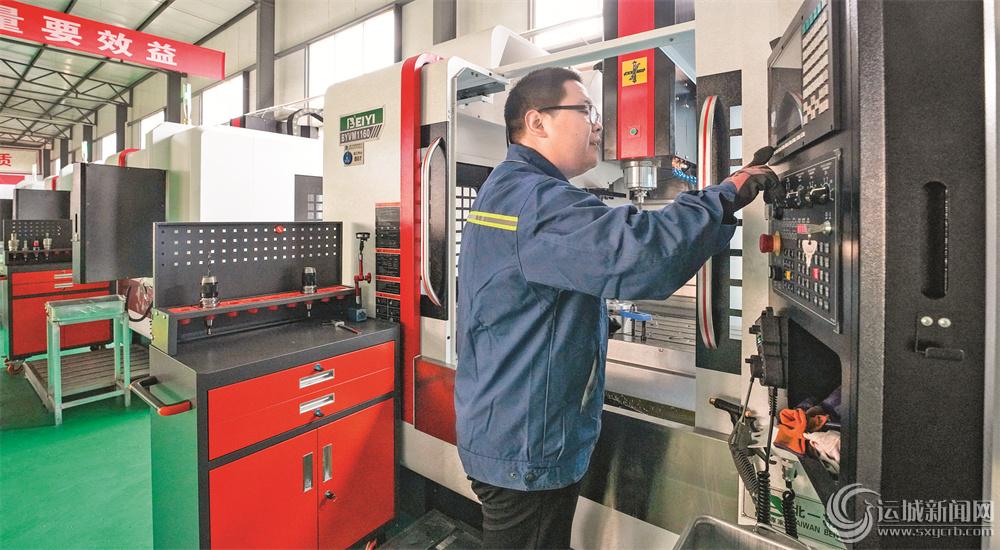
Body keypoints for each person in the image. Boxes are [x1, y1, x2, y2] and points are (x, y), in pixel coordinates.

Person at [454, 67, 778, 549]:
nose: (598, 124)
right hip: (525, 442)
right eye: (586, 110)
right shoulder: (535, 199)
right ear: (537, 122)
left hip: (507, 422)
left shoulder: (510, 187)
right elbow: (643, 253)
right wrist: (726, 193)